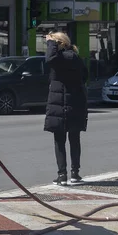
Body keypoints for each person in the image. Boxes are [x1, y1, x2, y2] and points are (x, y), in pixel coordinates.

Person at [44, 32, 88, 186]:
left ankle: (62, 175)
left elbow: (49, 58)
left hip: (59, 105)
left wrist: (51, 43)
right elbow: (85, 76)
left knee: (59, 141)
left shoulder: (59, 59)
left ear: (58, 44)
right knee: (74, 139)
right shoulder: (75, 58)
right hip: (76, 104)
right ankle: (75, 173)